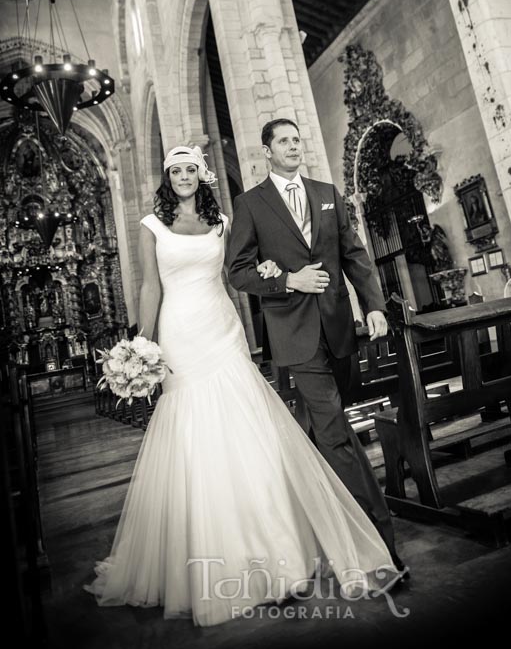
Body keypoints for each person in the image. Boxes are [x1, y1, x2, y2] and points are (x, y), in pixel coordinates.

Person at [85, 145, 402, 628]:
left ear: (202, 176)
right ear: (167, 177)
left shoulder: (223, 223)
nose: (185, 176)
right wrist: (144, 342)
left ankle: (279, 552)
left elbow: (241, 271)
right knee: (196, 427)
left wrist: (275, 274)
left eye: (192, 169)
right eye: (177, 171)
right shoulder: (151, 226)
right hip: (181, 332)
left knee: (245, 424)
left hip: (223, 327)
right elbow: (151, 286)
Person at [226, 119, 408, 576]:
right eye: (284, 141)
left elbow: (354, 254)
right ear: (266, 150)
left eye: (296, 139)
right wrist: (290, 280)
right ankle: (378, 542)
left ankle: (307, 517)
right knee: (335, 433)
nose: (293, 146)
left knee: (323, 431)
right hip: (295, 333)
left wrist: (374, 306)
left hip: (339, 328)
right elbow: (238, 271)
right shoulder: (251, 204)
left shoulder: (326, 191)